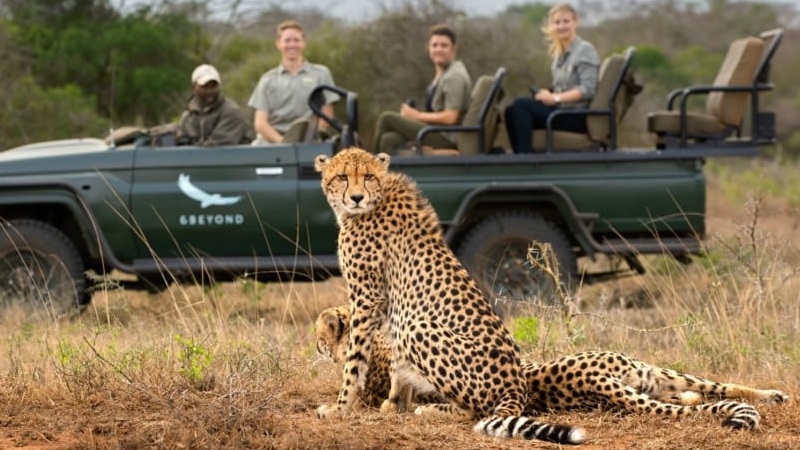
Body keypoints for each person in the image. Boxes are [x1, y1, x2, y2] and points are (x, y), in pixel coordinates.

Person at [504, 3, 600, 153]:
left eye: (566, 21)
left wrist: (555, 98)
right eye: (557, 22)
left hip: (574, 114)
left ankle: (526, 159)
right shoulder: (559, 54)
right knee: (511, 110)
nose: (562, 26)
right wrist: (547, 94)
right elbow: (562, 87)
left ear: (576, 22)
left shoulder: (585, 50)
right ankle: (522, 156)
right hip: (559, 110)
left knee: (521, 106)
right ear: (552, 26)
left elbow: (587, 90)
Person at [372, 24, 472, 154]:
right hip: (434, 131)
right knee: (388, 139)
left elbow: (450, 117)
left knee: (387, 118)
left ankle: (367, 167)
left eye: (444, 45)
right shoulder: (443, 74)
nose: (438, 49)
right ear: (429, 48)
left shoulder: (454, 76)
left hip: (447, 138)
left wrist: (417, 116)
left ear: (454, 49)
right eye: (434, 45)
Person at [248, 20, 338, 144]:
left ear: (304, 43)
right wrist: (283, 143)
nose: (292, 45)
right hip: (274, 143)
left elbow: (327, 115)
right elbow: (260, 123)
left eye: (296, 40)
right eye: (287, 40)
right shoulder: (267, 79)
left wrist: (309, 139)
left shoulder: (321, 74)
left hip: (310, 140)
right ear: (278, 44)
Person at [177, 64, 252, 146]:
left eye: (213, 86)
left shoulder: (231, 112)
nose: (210, 91)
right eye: (205, 87)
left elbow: (219, 144)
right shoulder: (188, 116)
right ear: (194, 87)